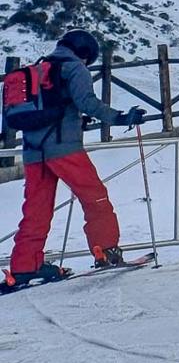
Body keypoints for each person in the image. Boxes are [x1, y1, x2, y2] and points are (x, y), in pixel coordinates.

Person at [2, 30, 146, 291]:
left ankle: (25, 267)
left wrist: (74, 120)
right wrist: (122, 118)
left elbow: (49, 109)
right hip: (65, 150)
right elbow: (87, 102)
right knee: (95, 197)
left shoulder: (39, 69)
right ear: (85, 53)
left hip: (34, 152)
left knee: (36, 209)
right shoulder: (73, 68)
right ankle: (107, 252)